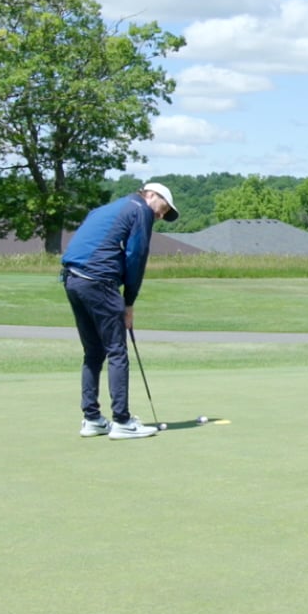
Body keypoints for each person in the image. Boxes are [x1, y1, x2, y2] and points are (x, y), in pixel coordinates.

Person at [62, 182, 178, 439]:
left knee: (94, 351)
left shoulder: (109, 208)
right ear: (151, 195)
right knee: (116, 350)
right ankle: (122, 421)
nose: (161, 216)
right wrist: (129, 301)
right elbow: (137, 255)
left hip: (73, 280)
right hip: (99, 281)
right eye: (163, 208)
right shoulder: (141, 210)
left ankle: (92, 419)